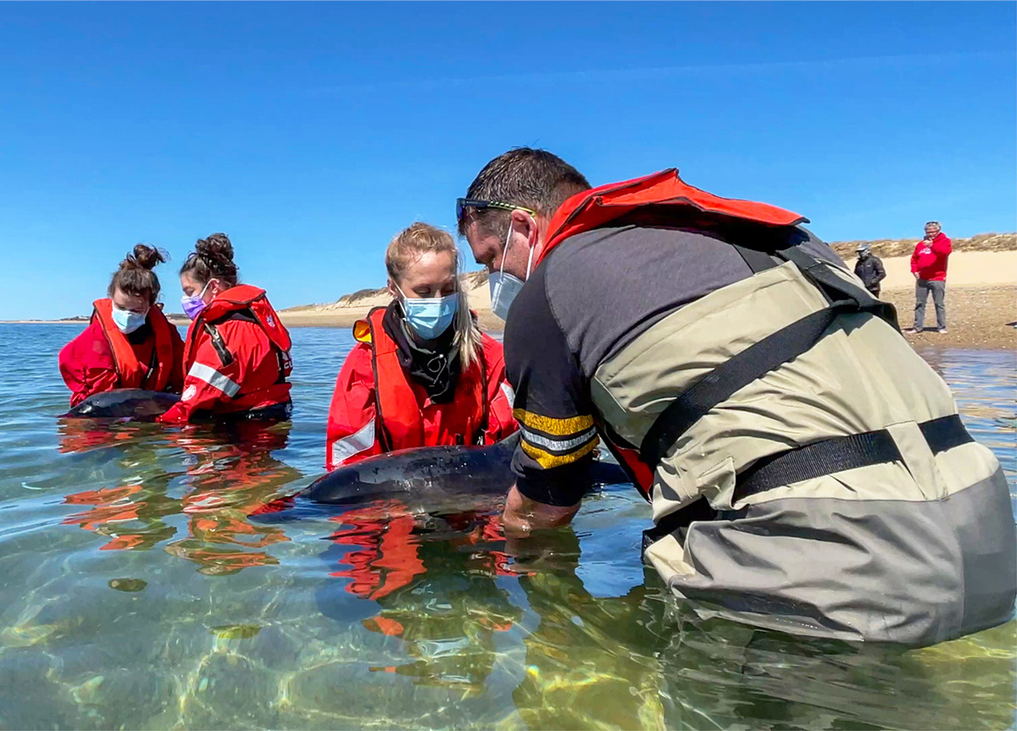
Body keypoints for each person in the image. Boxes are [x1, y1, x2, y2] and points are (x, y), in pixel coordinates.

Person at [455, 147, 1015, 646]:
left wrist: (512, 549)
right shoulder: (766, 232)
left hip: (832, 569)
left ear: (525, 227)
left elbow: (550, 487)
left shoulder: (549, 291)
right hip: (986, 531)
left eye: (487, 259)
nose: (491, 278)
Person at [325, 223, 518, 470]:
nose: (438, 301)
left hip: (474, 501)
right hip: (395, 504)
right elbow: (349, 467)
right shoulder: (364, 368)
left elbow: (508, 454)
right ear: (393, 288)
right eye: (424, 292)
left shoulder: (491, 360)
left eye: (447, 290)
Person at [159, 233, 293, 424]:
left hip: (246, 426)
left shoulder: (226, 330)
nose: (187, 300)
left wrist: (158, 425)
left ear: (213, 287)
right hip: (277, 413)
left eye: (190, 292)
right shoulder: (255, 316)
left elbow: (197, 401)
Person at [59, 244, 184, 407]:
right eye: (121, 307)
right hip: (107, 415)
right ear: (111, 298)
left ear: (151, 304)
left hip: (156, 411)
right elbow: (94, 394)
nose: (127, 314)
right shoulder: (96, 339)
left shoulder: (168, 334)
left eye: (136, 309)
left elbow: (181, 379)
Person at [910, 221, 951, 333]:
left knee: (939, 304)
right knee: (919, 303)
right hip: (922, 279)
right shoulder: (920, 244)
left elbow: (945, 253)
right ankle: (917, 327)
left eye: (933, 232)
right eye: (928, 232)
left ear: (938, 231)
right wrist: (914, 270)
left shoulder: (945, 241)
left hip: (937, 278)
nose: (930, 234)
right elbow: (914, 259)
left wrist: (932, 246)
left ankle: (941, 327)